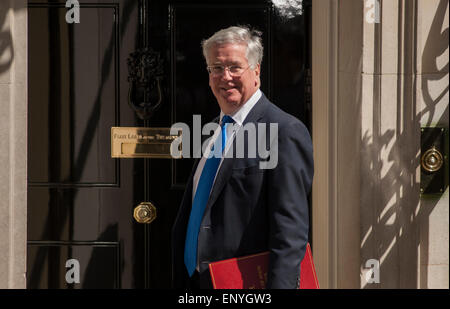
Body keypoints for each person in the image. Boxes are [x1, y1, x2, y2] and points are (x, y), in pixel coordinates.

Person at [171, 26, 314, 289]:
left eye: (235, 67)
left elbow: (290, 233)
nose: (225, 77)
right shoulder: (213, 130)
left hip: (244, 285)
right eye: (216, 68)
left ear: (256, 71)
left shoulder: (284, 131)